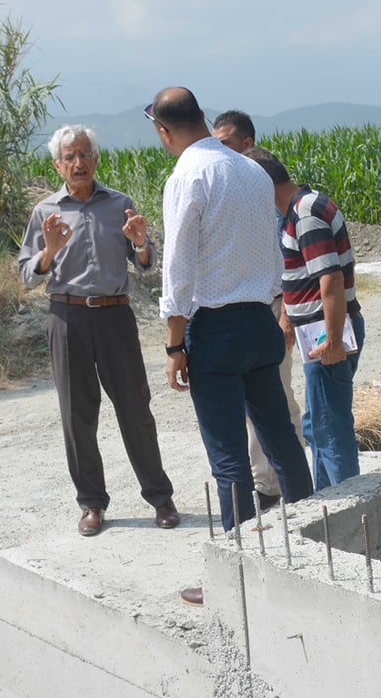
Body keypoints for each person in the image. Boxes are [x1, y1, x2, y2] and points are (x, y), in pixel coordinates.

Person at [148, 87, 312, 556]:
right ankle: (316, 547)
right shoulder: (252, 171)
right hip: (261, 320)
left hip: (214, 329)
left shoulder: (187, 176)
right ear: (202, 116)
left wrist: (174, 346)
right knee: (282, 442)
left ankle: (240, 572)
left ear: (163, 132)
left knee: (229, 460)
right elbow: (272, 255)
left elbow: (178, 269)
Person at [15, 125, 180, 537]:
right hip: (66, 317)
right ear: (57, 165)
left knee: (135, 410)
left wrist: (140, 244)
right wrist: (49, 251)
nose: (79, 163)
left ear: (96, 159)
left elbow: (146, 263)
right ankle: (91, 503)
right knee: (77, 416)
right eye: (69, 157)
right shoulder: (45, 212)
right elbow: (27, 275)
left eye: (85, 154)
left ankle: (160, 498)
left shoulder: (119, 204)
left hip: (114, 317)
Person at [247, 148, 364, 488]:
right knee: (318, 424)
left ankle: (347, 502)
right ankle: (328, 499)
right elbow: (305, 277)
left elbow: (331, 279)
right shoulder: (298, 210)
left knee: (330, 428)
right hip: (319, 332)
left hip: (326, 333)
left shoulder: (306, 213)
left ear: (263, 184)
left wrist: (333, 339)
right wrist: (288, 318)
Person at [213, 109, 307, 512]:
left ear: (247, 143)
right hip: (245, 312)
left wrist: (286, 314)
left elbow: (288, 262)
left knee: (278, 399)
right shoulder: (234, 192)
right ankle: (268, 482)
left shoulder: (266, 193)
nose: (218, 151)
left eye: (225, 143)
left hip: (272, 308)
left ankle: (288, 482)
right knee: (254, 406)